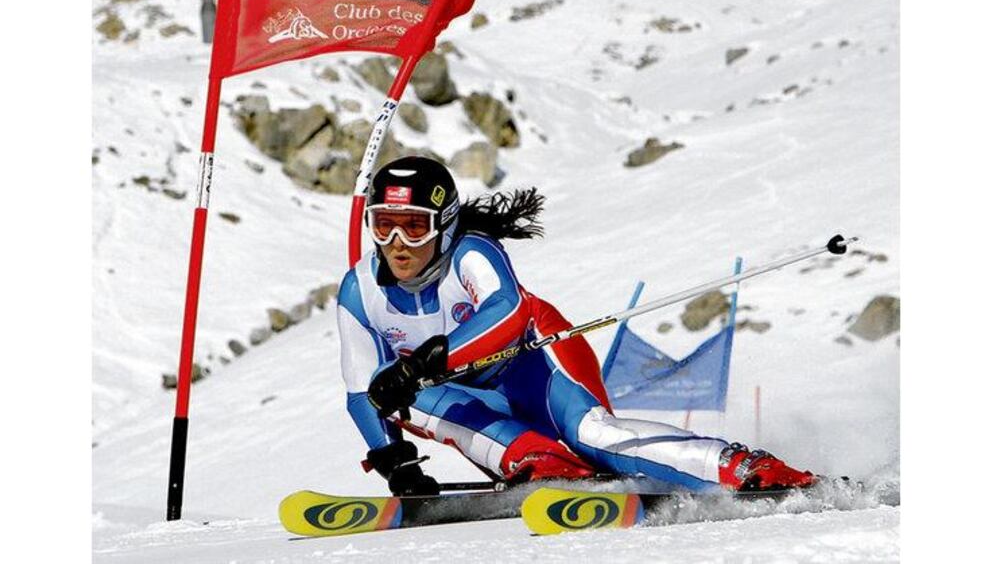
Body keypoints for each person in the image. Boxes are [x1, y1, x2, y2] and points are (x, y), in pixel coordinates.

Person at [337, 156, 815, 496]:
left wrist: (426, 360)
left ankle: (739, 466)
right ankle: (541, 464)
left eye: (414, 226)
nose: (396, 243)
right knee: (390, 389)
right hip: (466, 393)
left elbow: (506, 313)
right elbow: (362, 390)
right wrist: (391, 458)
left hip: (535, 361)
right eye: (383, 225)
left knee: (595, 437)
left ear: (444, 224)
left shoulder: (472, 253)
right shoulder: (360, 289)